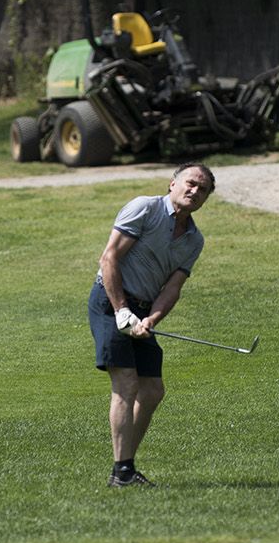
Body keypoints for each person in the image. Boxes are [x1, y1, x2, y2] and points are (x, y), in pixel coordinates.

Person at [88, 163, 214, 487]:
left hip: (143, 310)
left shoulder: (193, 240)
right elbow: (109, 258)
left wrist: (151, 319)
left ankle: (123, 468)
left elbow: (172, 288)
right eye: (190, 183)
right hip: (109, 301)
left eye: (202, 189)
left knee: (153, 390)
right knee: (127, 383)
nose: (194, 191)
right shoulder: (144, 208)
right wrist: (121, 312)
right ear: (172, 183)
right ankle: (123, 471)